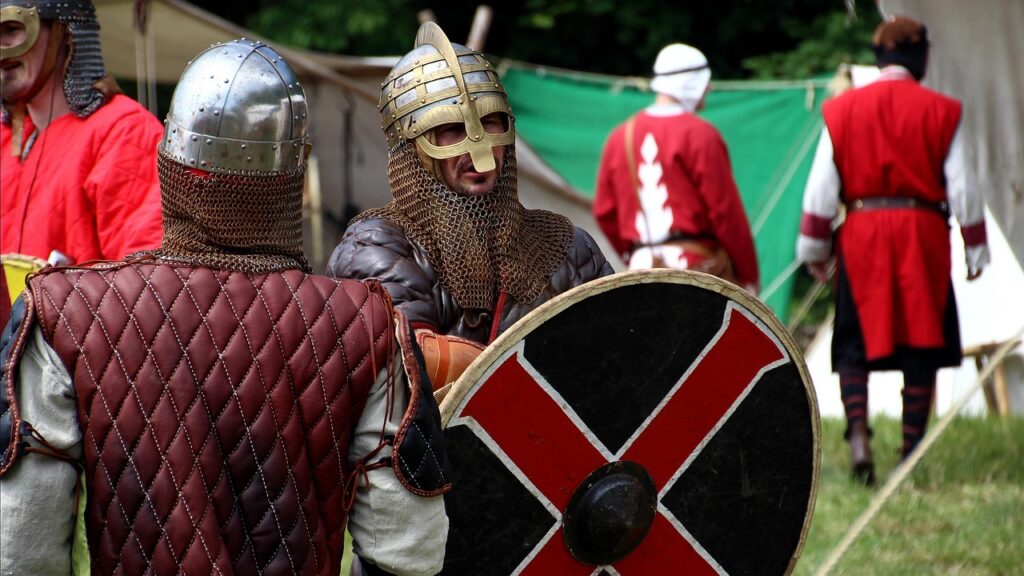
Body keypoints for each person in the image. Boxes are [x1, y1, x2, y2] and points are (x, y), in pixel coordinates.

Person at [0, 40, 449, 576]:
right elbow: (409, 551)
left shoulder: (65, 311)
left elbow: (20, 543)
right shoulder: (365, 323)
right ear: (293, 172)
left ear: (171, 162)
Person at [327, 22, 613, 389]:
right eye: (451, 129)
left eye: (490, 122)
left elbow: (618, 353)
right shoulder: (378, 247)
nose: (477, 146)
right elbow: (404, 380)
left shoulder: (568, 246)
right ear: (413, 148)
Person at [796, 15, 989, 485]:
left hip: (861, 232)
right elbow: (963, 187)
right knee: (922, 340)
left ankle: (859, 436)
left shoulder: (843, 111)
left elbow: (821, 190)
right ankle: (909, 453)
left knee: (852, 343)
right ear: (920, 56)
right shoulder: (941, 110)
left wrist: (814, 248)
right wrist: (976, 247)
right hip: (921, 232)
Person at [0, 0, 163, 264]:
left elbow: (143, 282)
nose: (2, 50)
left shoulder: (124, 133)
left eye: (11, 29)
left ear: (65, 32)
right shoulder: (5, 138)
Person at [593, 42, 759, 294]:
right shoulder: (701, 135)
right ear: (690, 83)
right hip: (698, 274)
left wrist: (636, 254)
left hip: (639, 275)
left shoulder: (619, 137)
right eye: (705, 82)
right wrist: (748, 276)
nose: (709, 89)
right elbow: (726, 214)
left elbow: (605, 212)